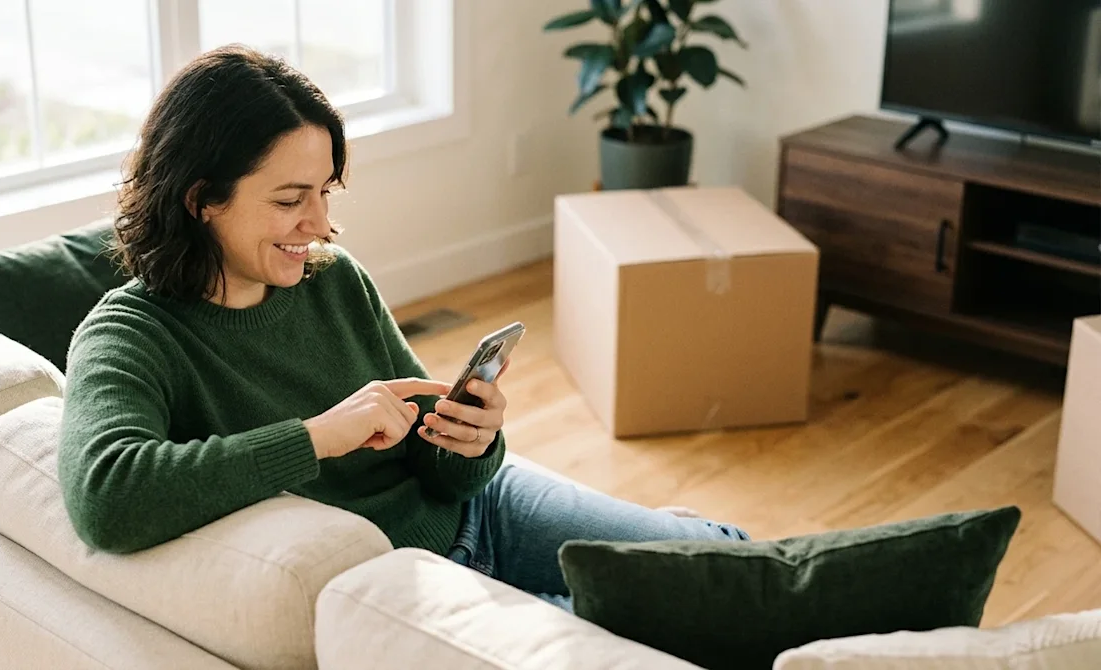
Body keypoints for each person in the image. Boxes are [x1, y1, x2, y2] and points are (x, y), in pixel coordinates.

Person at [59, 44, 749, 611]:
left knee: (735, 567)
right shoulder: (130, 336)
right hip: (406, 586)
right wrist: (319, 437)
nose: (321, 225)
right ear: (202, 198)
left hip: (485, 511)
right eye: (291, 199)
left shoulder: (334, 279)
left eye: (324, 192)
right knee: (666, 627)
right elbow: (108, 499)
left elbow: (441, 466)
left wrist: (472, 438)